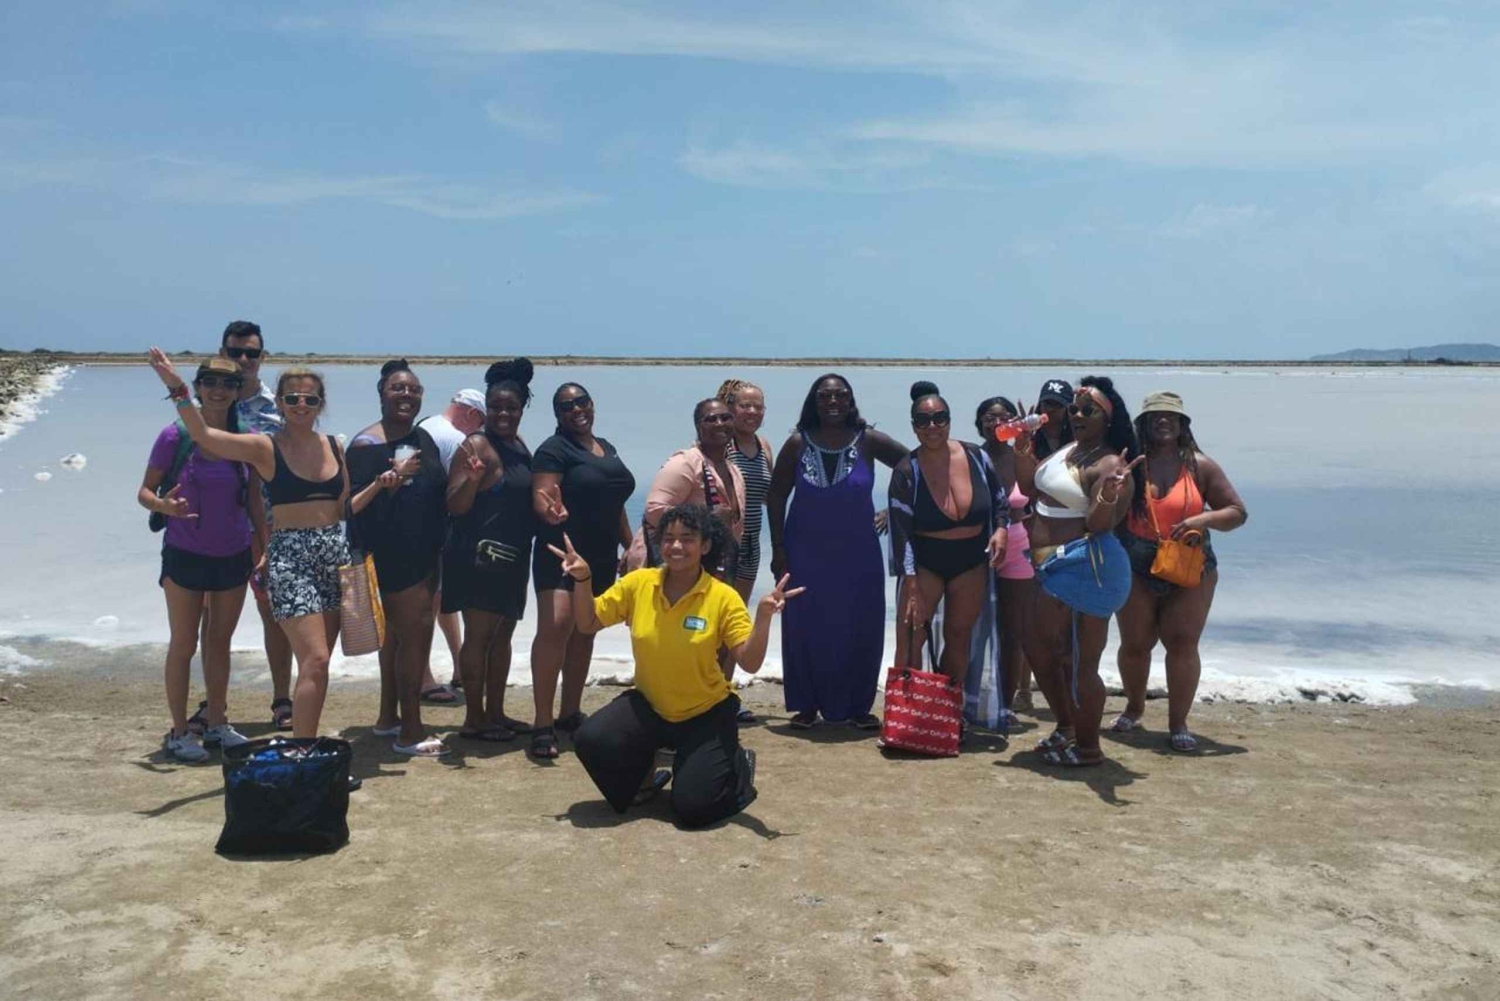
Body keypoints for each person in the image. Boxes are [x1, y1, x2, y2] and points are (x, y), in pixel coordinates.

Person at [146, 348, 401, 744]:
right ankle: (301, 752)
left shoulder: (334, 446)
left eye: (310, 399)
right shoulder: (265, 446)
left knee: (319, 667)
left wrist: (384, 484)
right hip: (290, 561)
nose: (301, 404)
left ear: (321, 404)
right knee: (313, 658)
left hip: (333, 559)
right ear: (279, 402)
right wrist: (177, 387)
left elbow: (343, 509)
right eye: (292, 398)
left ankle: (305, 748)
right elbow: (203, 434)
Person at [564, 505, 802, 827]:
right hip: (650, 706)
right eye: (669, 538)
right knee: (591, 739)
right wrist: (583, 579)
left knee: (692, 809)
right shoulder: (639, 584)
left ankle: (738, 766)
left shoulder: (722, 597)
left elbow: (749, 661)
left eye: (687, 539)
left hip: (706, 714)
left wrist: (762, 617)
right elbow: (587, 621)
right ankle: (644, 783)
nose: (676, 547)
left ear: (705, 546)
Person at [1014, 376, 1142, 767]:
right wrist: (1021, 450)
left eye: (1089, 410)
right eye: (1075, 409)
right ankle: (1068, 726)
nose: (1078, 415)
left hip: (1084, 567)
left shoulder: (1108, 463)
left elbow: (1100, 523)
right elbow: (1030, 487)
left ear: (1109, 418)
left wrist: (1107, 494)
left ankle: (1088, 747)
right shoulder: (1070, 450)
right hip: (1052, 567)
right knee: (1041, 650)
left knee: (1080, 663)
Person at [767, 373, 906, 729]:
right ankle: (806, 704)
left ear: (851, 400)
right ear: (814, 401)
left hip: (858, 551)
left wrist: (892, 509)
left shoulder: (869, 440)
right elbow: (776, 495)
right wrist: (779, 548)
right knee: (806, 625)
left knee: (860, 623)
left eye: (840, 396)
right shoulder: (797, 444)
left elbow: (914, 467)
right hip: (804, 551)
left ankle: (858, 706)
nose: (833, 402)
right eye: (825, 396)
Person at [1111, 392, 1248, 751]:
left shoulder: (1201, 466)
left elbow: (1237, 512)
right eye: (1155, 415)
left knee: (1183, 644)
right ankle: (1134, 707)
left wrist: (1204, 518)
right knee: (1136, 644)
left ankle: (1178, 722)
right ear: (1142, 423)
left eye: (1171, 416)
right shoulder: (1130, 462)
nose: (1163, 421)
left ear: (1183, 424)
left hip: (1191, 563)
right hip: (1136, 563)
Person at [138, 358, 254, 761]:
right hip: (185, 553)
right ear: (199, 387)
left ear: (239, 390)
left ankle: (218, 724)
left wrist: (264, 551)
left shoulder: (245, 437)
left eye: (227, 383)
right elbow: (144, 493)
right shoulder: (176, 436)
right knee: (184, 643)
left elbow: (255, 501)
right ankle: (179, 731)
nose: (218, 390)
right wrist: (164, 507)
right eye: (210, 382)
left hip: (234, 554)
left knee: (220, 644)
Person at [347, 360, 451, 757]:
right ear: (381, 394)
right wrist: (384, 485)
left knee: (395, 640)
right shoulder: (366, 445)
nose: (407, 395)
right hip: (393, 556)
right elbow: (350, 507)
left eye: (413, 389)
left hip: (425, 551)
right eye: (397, 388)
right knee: (415, 639)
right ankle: (411, 730)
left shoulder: (422, 437)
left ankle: (387, 719)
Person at [529, 382, 636, 760]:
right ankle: (542, 723)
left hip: (602, 559)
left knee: (585, 632)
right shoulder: (553, 449)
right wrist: (550, 513)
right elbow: (542, 497)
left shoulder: (607, 448)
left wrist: (631, 545)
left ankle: (569, 714)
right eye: (565, 406)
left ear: (592, 404)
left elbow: (615, 502)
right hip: (562, 554)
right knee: (556, 628)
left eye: (582, 402)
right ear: (557, 414)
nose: (576, 410)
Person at [887, 382, 1010, 701]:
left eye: (940, 418)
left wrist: (1000, 530)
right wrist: (910, 583)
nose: (932, 426)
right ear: (914, 427)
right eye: (923, 420)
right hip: (926, 561)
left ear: (950, 421)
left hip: (970, 560)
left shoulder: (976, 456)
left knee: (959, 637)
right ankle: (904, 714)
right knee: (912, 637)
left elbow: (1000, 501)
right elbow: (900, 534)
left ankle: (946, 712)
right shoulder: (906, 471)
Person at [443, 359, 538, 742]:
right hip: (478, 556)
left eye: (510, 408)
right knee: (478, 637)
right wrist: (475, 478)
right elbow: (454, 504)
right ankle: (474, 719)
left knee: (502, 638)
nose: (503, 414)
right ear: (485, 409)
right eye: (495, 407)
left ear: (521, 410)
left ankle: (496, 712)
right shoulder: (476, 444)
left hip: (514, 556)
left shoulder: (518, 445)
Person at [218, 320, 295, 731]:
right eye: (235, 352)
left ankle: (282, 699)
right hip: (215, 528)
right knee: (215, 621)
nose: (244, 360)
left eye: (251, 353)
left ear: (262, 357)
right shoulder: (210, 405)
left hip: (269, 529)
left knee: (275, 615)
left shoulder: (277, 409)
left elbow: (298, 463)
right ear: (223, 353)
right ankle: (214, 705)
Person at [626, 398, 746, 581]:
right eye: (711, 419)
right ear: (698, 427)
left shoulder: (734, 471)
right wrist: (707, 517)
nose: (720, 423)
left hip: (713, 568)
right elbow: (654, 510)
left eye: (725, 417)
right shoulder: (684, 463)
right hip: (674, 569)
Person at [418, 389, 486, 697]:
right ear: (472, 414)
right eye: (480, 423)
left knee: (443, 600)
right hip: (434, 531)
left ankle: (459, 666)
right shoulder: (454, 440)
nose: (479, 433)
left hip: (418, 528)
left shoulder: (425, 424)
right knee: (429, 605)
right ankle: (424, 679)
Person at [978, 396, 1037, 721]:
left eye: (1002, 417)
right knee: (973, 627)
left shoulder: (1024, 457)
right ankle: (971, 695)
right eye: (988, 417)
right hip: (979, 546)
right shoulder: (970, 456)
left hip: (1020, 545)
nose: (995, 422)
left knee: (1013, 630)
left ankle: (1005, 701)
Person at [717, 379, 774, 602]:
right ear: (731, 408)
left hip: (752, 544)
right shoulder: (720, 444)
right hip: (722, 544)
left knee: (738, 614)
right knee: (714, 614)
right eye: (746, 406)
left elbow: (770, 497)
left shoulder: (764, 446)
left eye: (758, 407)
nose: (753, 412)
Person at [1031, 379, 1075, 462]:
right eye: (1047, 403)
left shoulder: (1077, 440)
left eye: (1057, 405)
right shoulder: (1030, 439)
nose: (1050, 409)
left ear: (1068, 410)